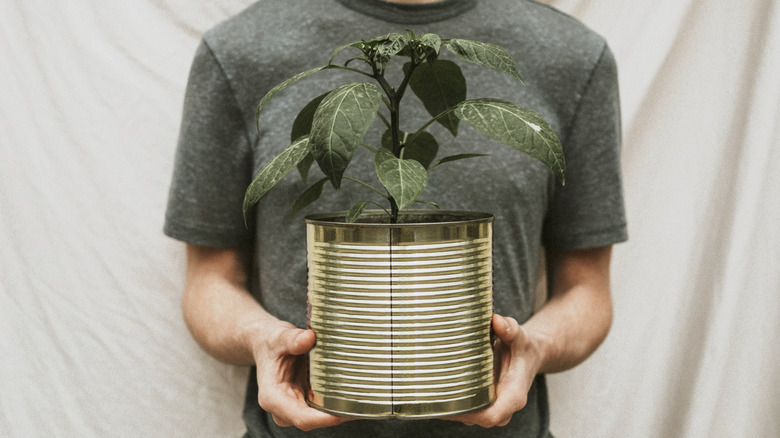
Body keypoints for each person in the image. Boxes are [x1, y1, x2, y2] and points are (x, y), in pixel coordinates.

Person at [164, 0, 627, 436]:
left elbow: (586, 288)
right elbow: (210, 278)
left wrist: (533, 347)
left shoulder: (571, 57)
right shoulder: (242, 49)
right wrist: (261, 338)